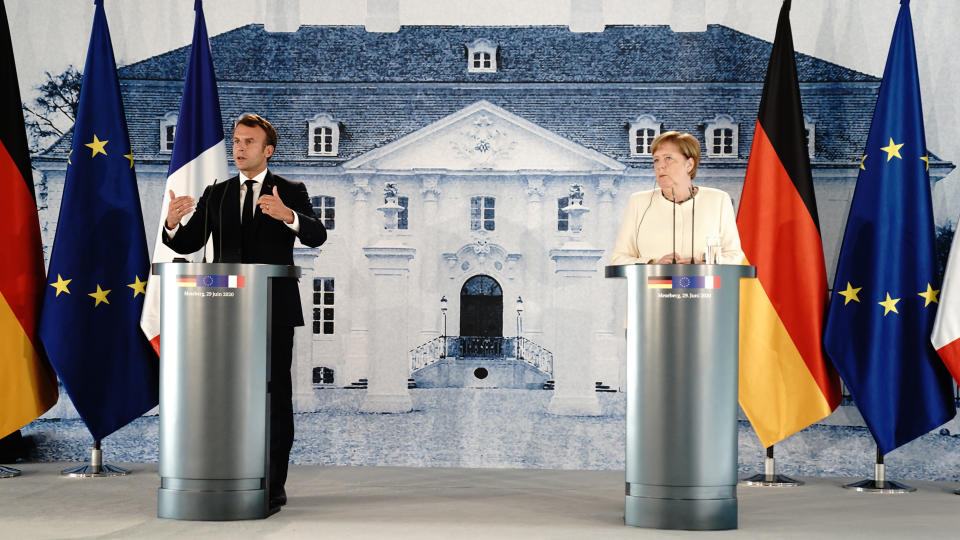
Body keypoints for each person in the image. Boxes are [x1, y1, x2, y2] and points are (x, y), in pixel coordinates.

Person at [163, 113, 326, 511]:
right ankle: (228, 472)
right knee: (227, 395)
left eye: (248, 142)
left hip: (273, 308)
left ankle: (273, 483)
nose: (239, 148)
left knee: (273, 396)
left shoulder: (290, 189)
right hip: (223, 312)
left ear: (267, 150)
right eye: (236, 141)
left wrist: (286, 216)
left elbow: (317, 233)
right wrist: (171, 223)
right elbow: (187, 244)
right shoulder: (216, 193)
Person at [611, 131, 743, 265]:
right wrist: (652, 265)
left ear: (689, 165)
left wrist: (704, 265)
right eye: (656, 160)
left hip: (704, 285)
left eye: (668, 158)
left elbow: (735, 256)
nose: (660, 166)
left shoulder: (718, 200)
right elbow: (618, 259)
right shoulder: (638, 202)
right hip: (655, 285)